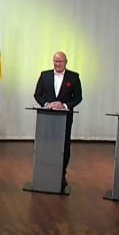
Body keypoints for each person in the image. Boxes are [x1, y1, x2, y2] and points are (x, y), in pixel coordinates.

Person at [33, 51, 83, 189]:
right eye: (55, 61)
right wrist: (47, 104)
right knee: (46, 143)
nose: (57, 64)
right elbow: (37, 94)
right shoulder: (45, 75)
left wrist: (64, 105)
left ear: (66, 62)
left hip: (65, 117)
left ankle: (62, 173)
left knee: (64, 145)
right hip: (47, 117)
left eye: (60, 61)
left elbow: (78, 97)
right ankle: (45, 170)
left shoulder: (74, 77)